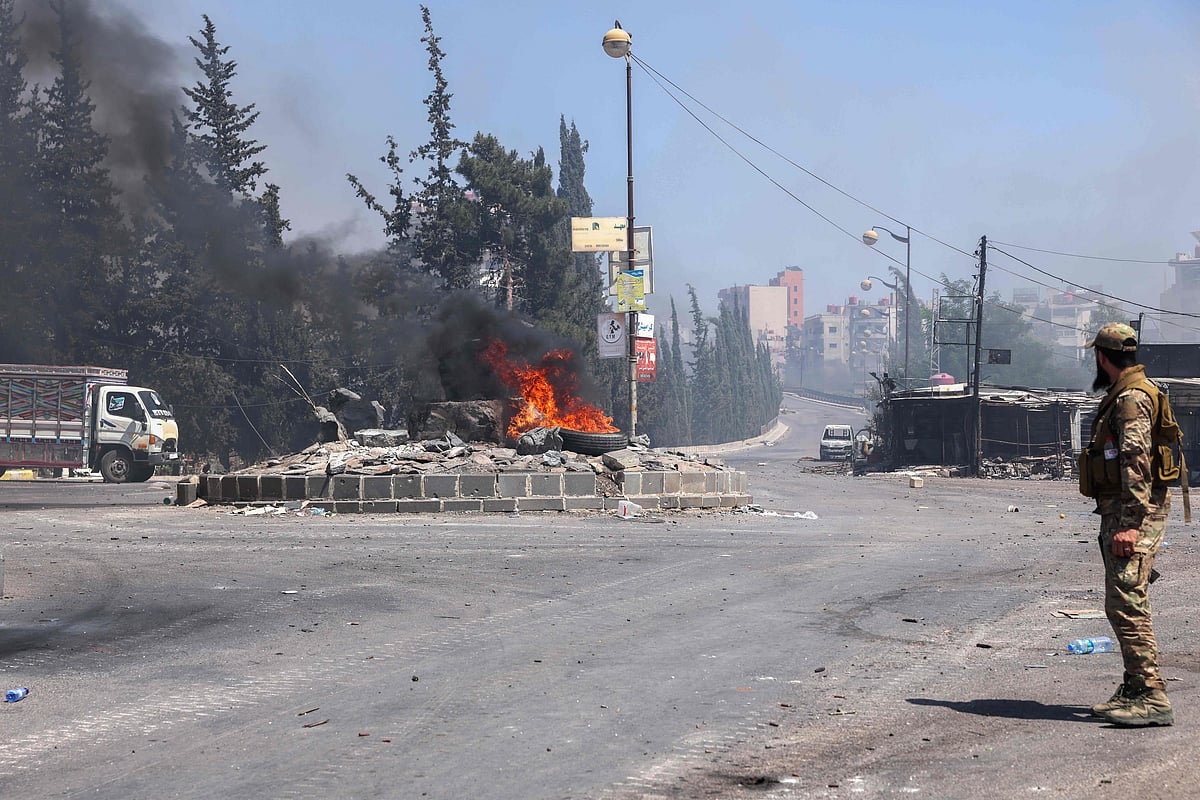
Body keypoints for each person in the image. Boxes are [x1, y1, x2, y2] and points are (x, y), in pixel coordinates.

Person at [1080, 322, 1174, 726]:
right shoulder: (1133, 391)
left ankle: (1151, 696)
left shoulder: (1130, 399)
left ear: (1102, 357)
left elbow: (1136, 464)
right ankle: (1135, 688)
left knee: (1126, 603)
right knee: (1123, 601)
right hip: (1124, 510)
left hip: (1132, 512)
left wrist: (1129, 525)